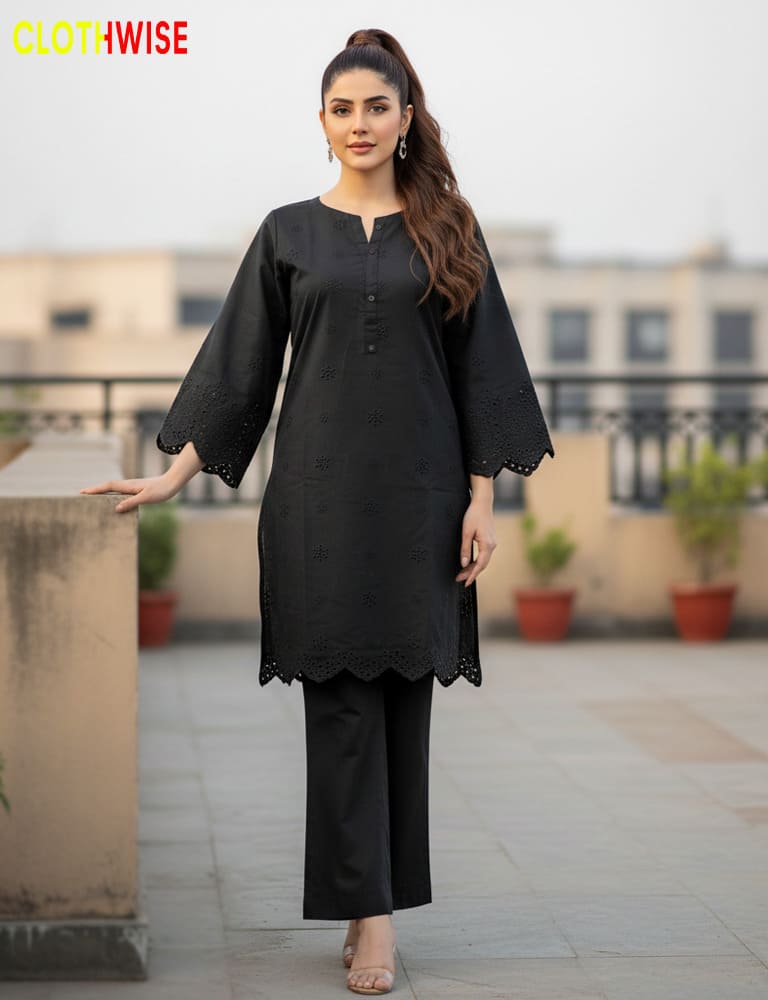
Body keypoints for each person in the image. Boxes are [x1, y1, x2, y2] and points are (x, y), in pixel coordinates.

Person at [81, 27, 554, 996]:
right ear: (322, 122)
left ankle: (372, 902)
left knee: (403, 705)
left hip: (422, 504)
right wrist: (171, 476)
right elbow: (240, 368)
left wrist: (482, 500)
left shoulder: (449, 230)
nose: (359, 124)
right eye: (342, 109)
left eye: (377, 107)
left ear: (406, 118)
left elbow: (484, 371)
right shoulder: (287, 233)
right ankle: (370, 917)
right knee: (338, 706)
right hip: (317, 503)